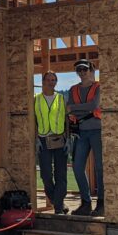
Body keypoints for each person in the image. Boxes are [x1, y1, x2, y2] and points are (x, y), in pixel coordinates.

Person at [67, 59, 102, 216]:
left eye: (85, 69)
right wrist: (80, 110)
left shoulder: (98, 87)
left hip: (97, 130)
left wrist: (75, 108)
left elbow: (94, 106)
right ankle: (86, 203)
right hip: (80, 132)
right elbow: (69, 110)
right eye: (79, 70)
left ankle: (101, 203)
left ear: (91, 70)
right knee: (77, 167)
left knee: (99, 167)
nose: (82, 72)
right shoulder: (73, 89)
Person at [35, 71, 68, 215]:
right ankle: (57, 201)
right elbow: (33, 120)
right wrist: (36, 139)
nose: (51, 82)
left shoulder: (61, 98)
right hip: (43, 139)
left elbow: (67, 118)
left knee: (61, 174)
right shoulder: (36, 99)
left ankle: (58, 208)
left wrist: (67, 138)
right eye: (48, 80)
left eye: (54, 80)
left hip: (59, 139)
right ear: (43, 82)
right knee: (46, 175)